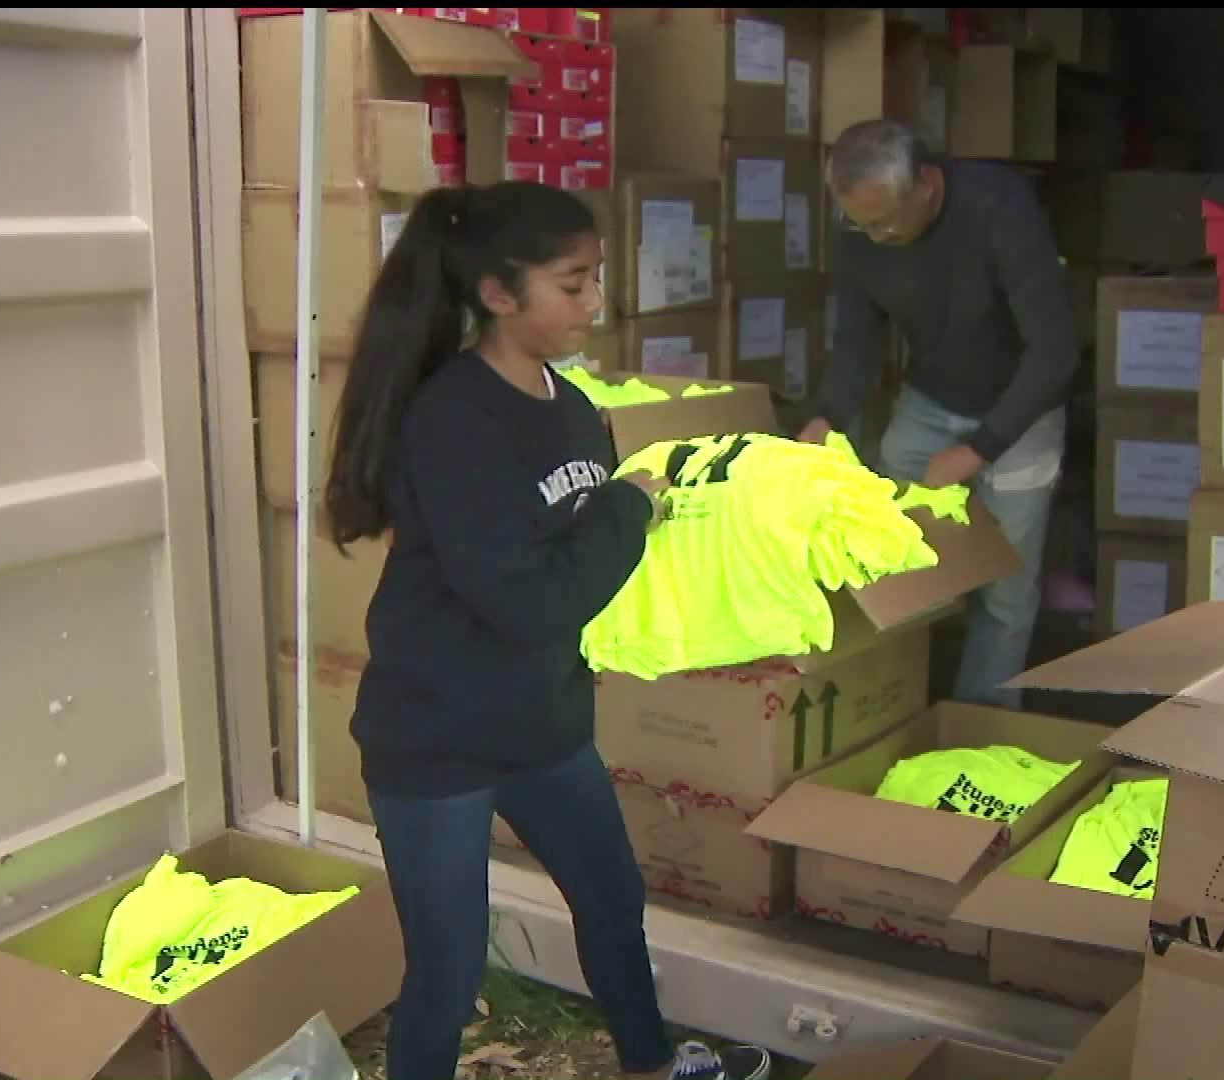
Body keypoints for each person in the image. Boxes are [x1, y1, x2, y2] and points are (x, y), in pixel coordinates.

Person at [324, 182, 772, 1080]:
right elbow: (530, 597)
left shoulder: (568, 407)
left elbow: (579, 572)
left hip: (543, 723)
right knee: (448, 977)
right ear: (498, 293)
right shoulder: (451, 422)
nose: (593, 303)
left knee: (613, 900)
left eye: (597, 280)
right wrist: (631, 506)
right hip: (438, 738)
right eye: (573, 284)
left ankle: (649, 1064)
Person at [799, 119, 1081, 711]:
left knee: (1005, 591)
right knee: (891, 559)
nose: (872, 236)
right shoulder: (859, 230)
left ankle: (981, 724)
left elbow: (1054, 350)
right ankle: (889, 707)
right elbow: (857, 339)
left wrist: (980, 448)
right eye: (858, 222)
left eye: (883, 222)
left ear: (927, 185)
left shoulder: (1000, 209)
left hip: (1019, 410)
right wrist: (826, 417)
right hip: (930, 401)